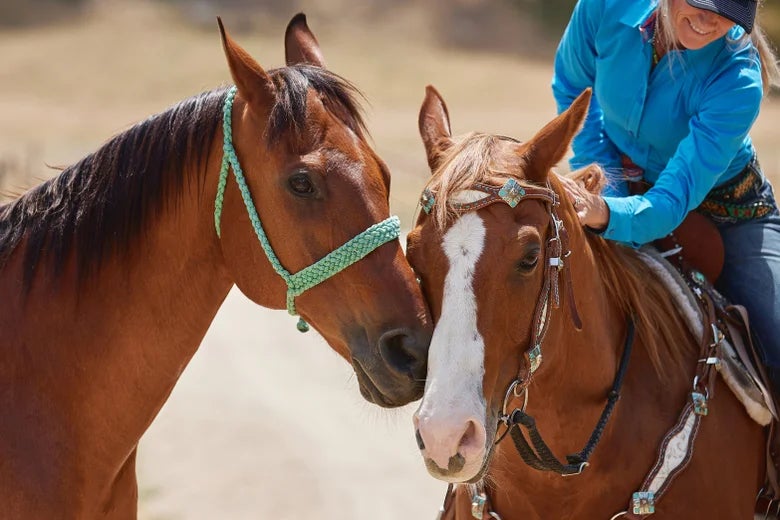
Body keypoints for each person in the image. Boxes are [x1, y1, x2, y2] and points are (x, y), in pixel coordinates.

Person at [553, 0, 780, 394]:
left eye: (728, 11)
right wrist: (607, 181)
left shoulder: (739, 78)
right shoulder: (603, 6)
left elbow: (671, 200)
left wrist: (606, 212)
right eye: (702, 2)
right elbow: (575, 88)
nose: (710, 19)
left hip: (729, 211)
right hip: (621, 183)